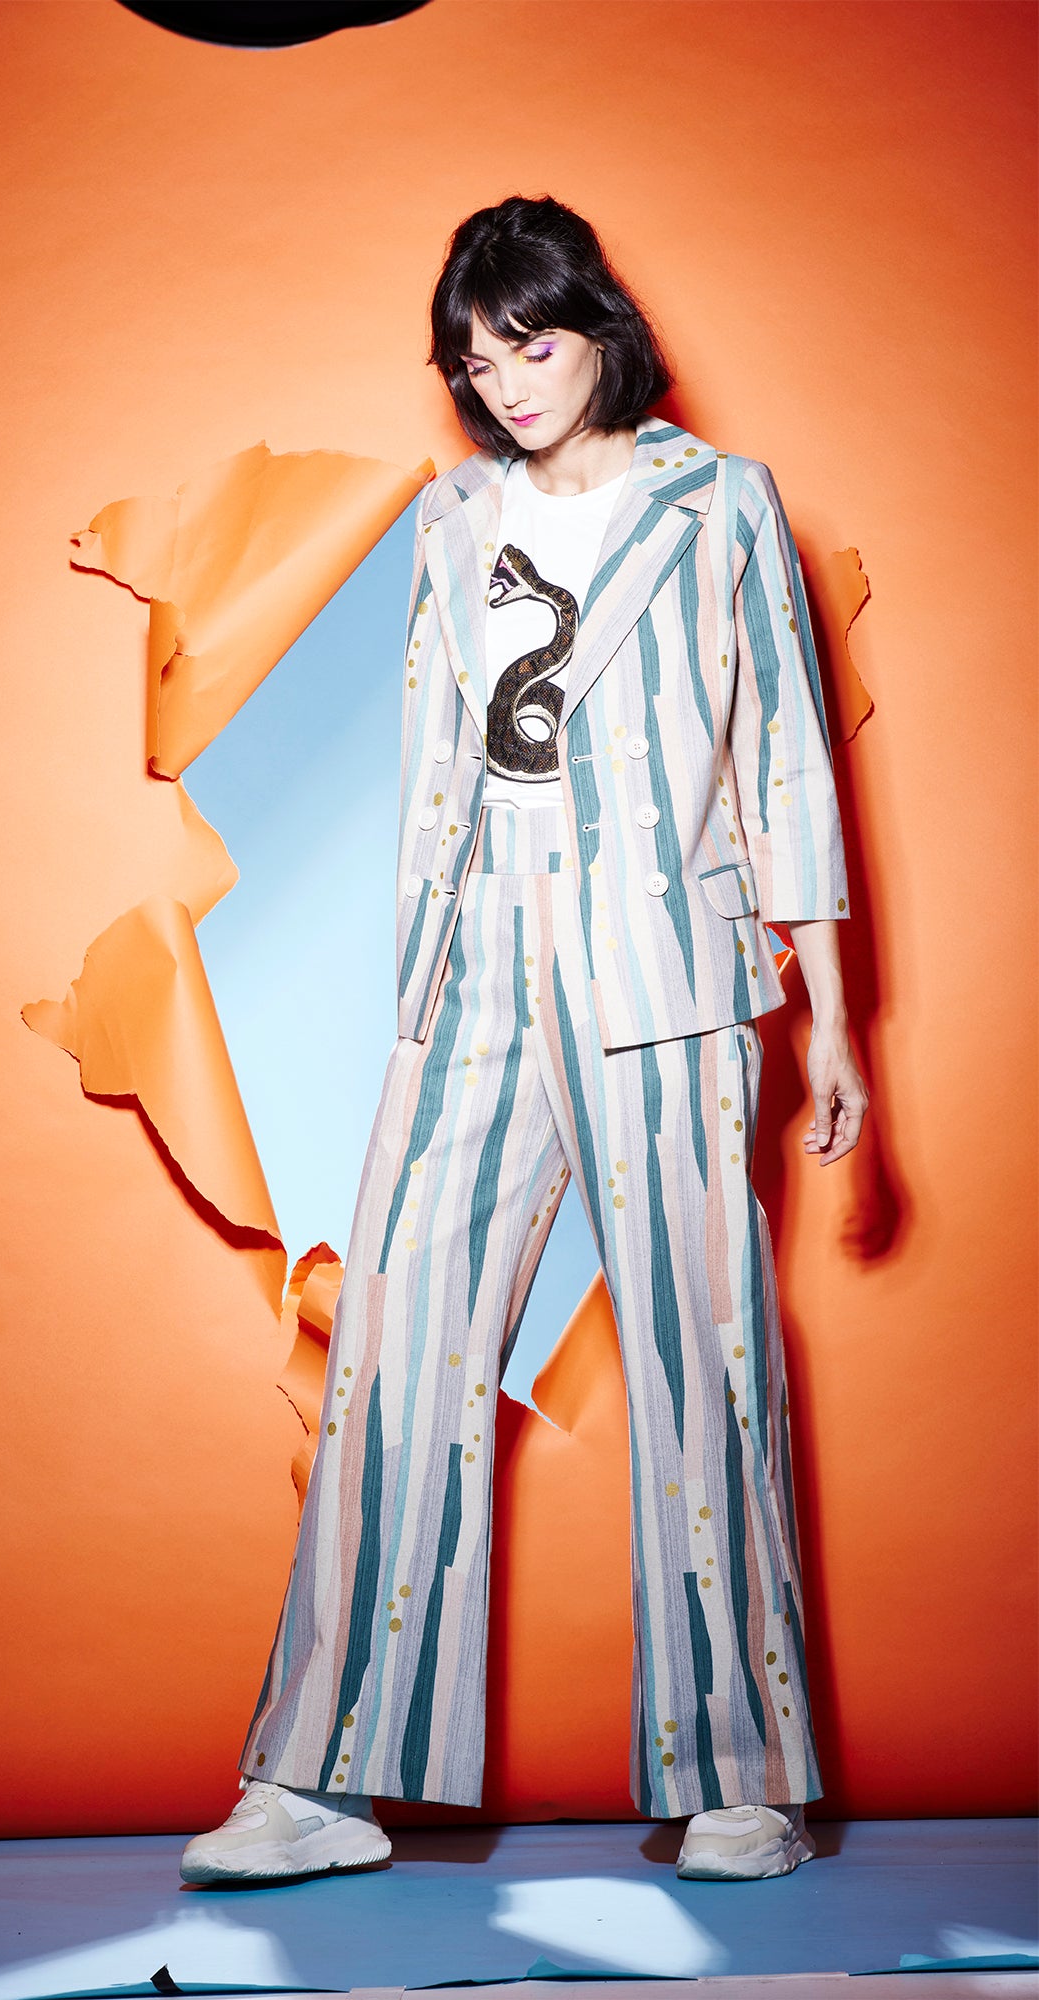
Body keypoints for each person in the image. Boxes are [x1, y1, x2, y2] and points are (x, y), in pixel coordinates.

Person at [180, 195, 867, 1888]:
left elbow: (783, 756)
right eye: (476, 362)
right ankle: (322, 1780)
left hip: (666, 967)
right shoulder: (452, 517)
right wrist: (414, 973)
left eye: (530, 345)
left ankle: (742, 1779)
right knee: (395, 1347)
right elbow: (433, 754)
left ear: (595, 330)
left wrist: (835, 1018)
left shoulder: (719, 505)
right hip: (475, 961)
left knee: (702, 1351)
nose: (505, 385)